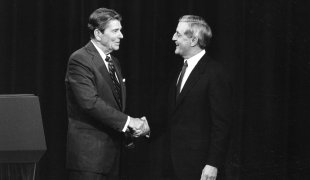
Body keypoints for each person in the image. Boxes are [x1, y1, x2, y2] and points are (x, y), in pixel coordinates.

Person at [65, 8, 149, 180]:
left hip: (112, 158)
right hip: (89, 160)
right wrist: (129, 122)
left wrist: (134, 128)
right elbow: (90, 103)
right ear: (98, 33)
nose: (121, 36)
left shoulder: (114, 62)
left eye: (121, 30)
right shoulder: (80, 59)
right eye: (115, 31)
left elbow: (114, 103)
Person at [161, 15, 233, 180]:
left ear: (193, 40)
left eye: (178, 34)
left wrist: (213, 164)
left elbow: (222, 125)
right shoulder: (179, 71)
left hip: (201, 169)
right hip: (175, 166)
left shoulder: (215, 73)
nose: (173, 38)